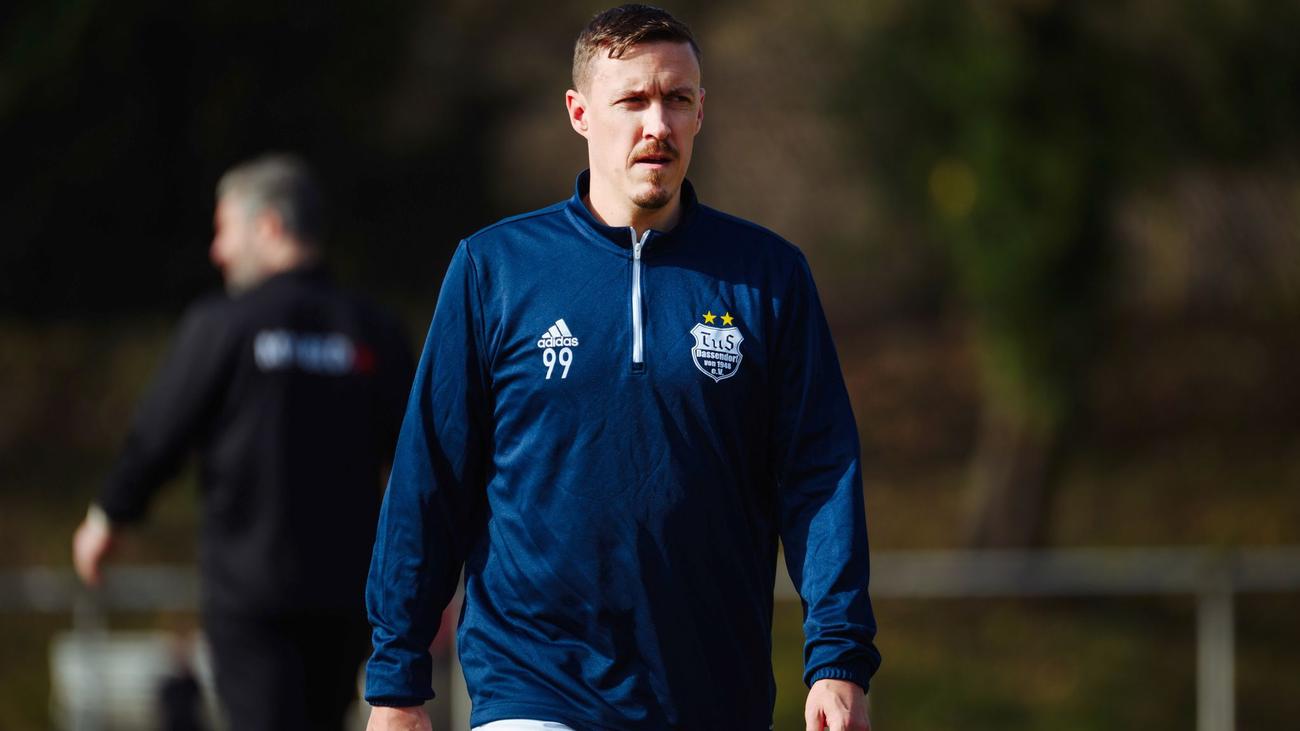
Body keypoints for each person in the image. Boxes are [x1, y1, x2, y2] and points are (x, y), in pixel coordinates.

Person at [364, 5, 880, 731]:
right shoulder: (495, 269)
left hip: (712, 694)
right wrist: (396, 679)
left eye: (677, 99)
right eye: (632, 100)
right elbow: (431, 478)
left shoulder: (768, 276)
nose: (657, 124)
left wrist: (838, 658)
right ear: (580, 113)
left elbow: (818, 475)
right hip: (534, 684)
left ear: (701, 112)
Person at [72, 154, 415, 731]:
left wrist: (109, 515)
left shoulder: (226, 325)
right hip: (348, 593)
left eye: (224, 230)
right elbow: (418, 463)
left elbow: (159, 433)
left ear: (269, 226)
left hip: (251, 596)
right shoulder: (373, 331)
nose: (217, 251)